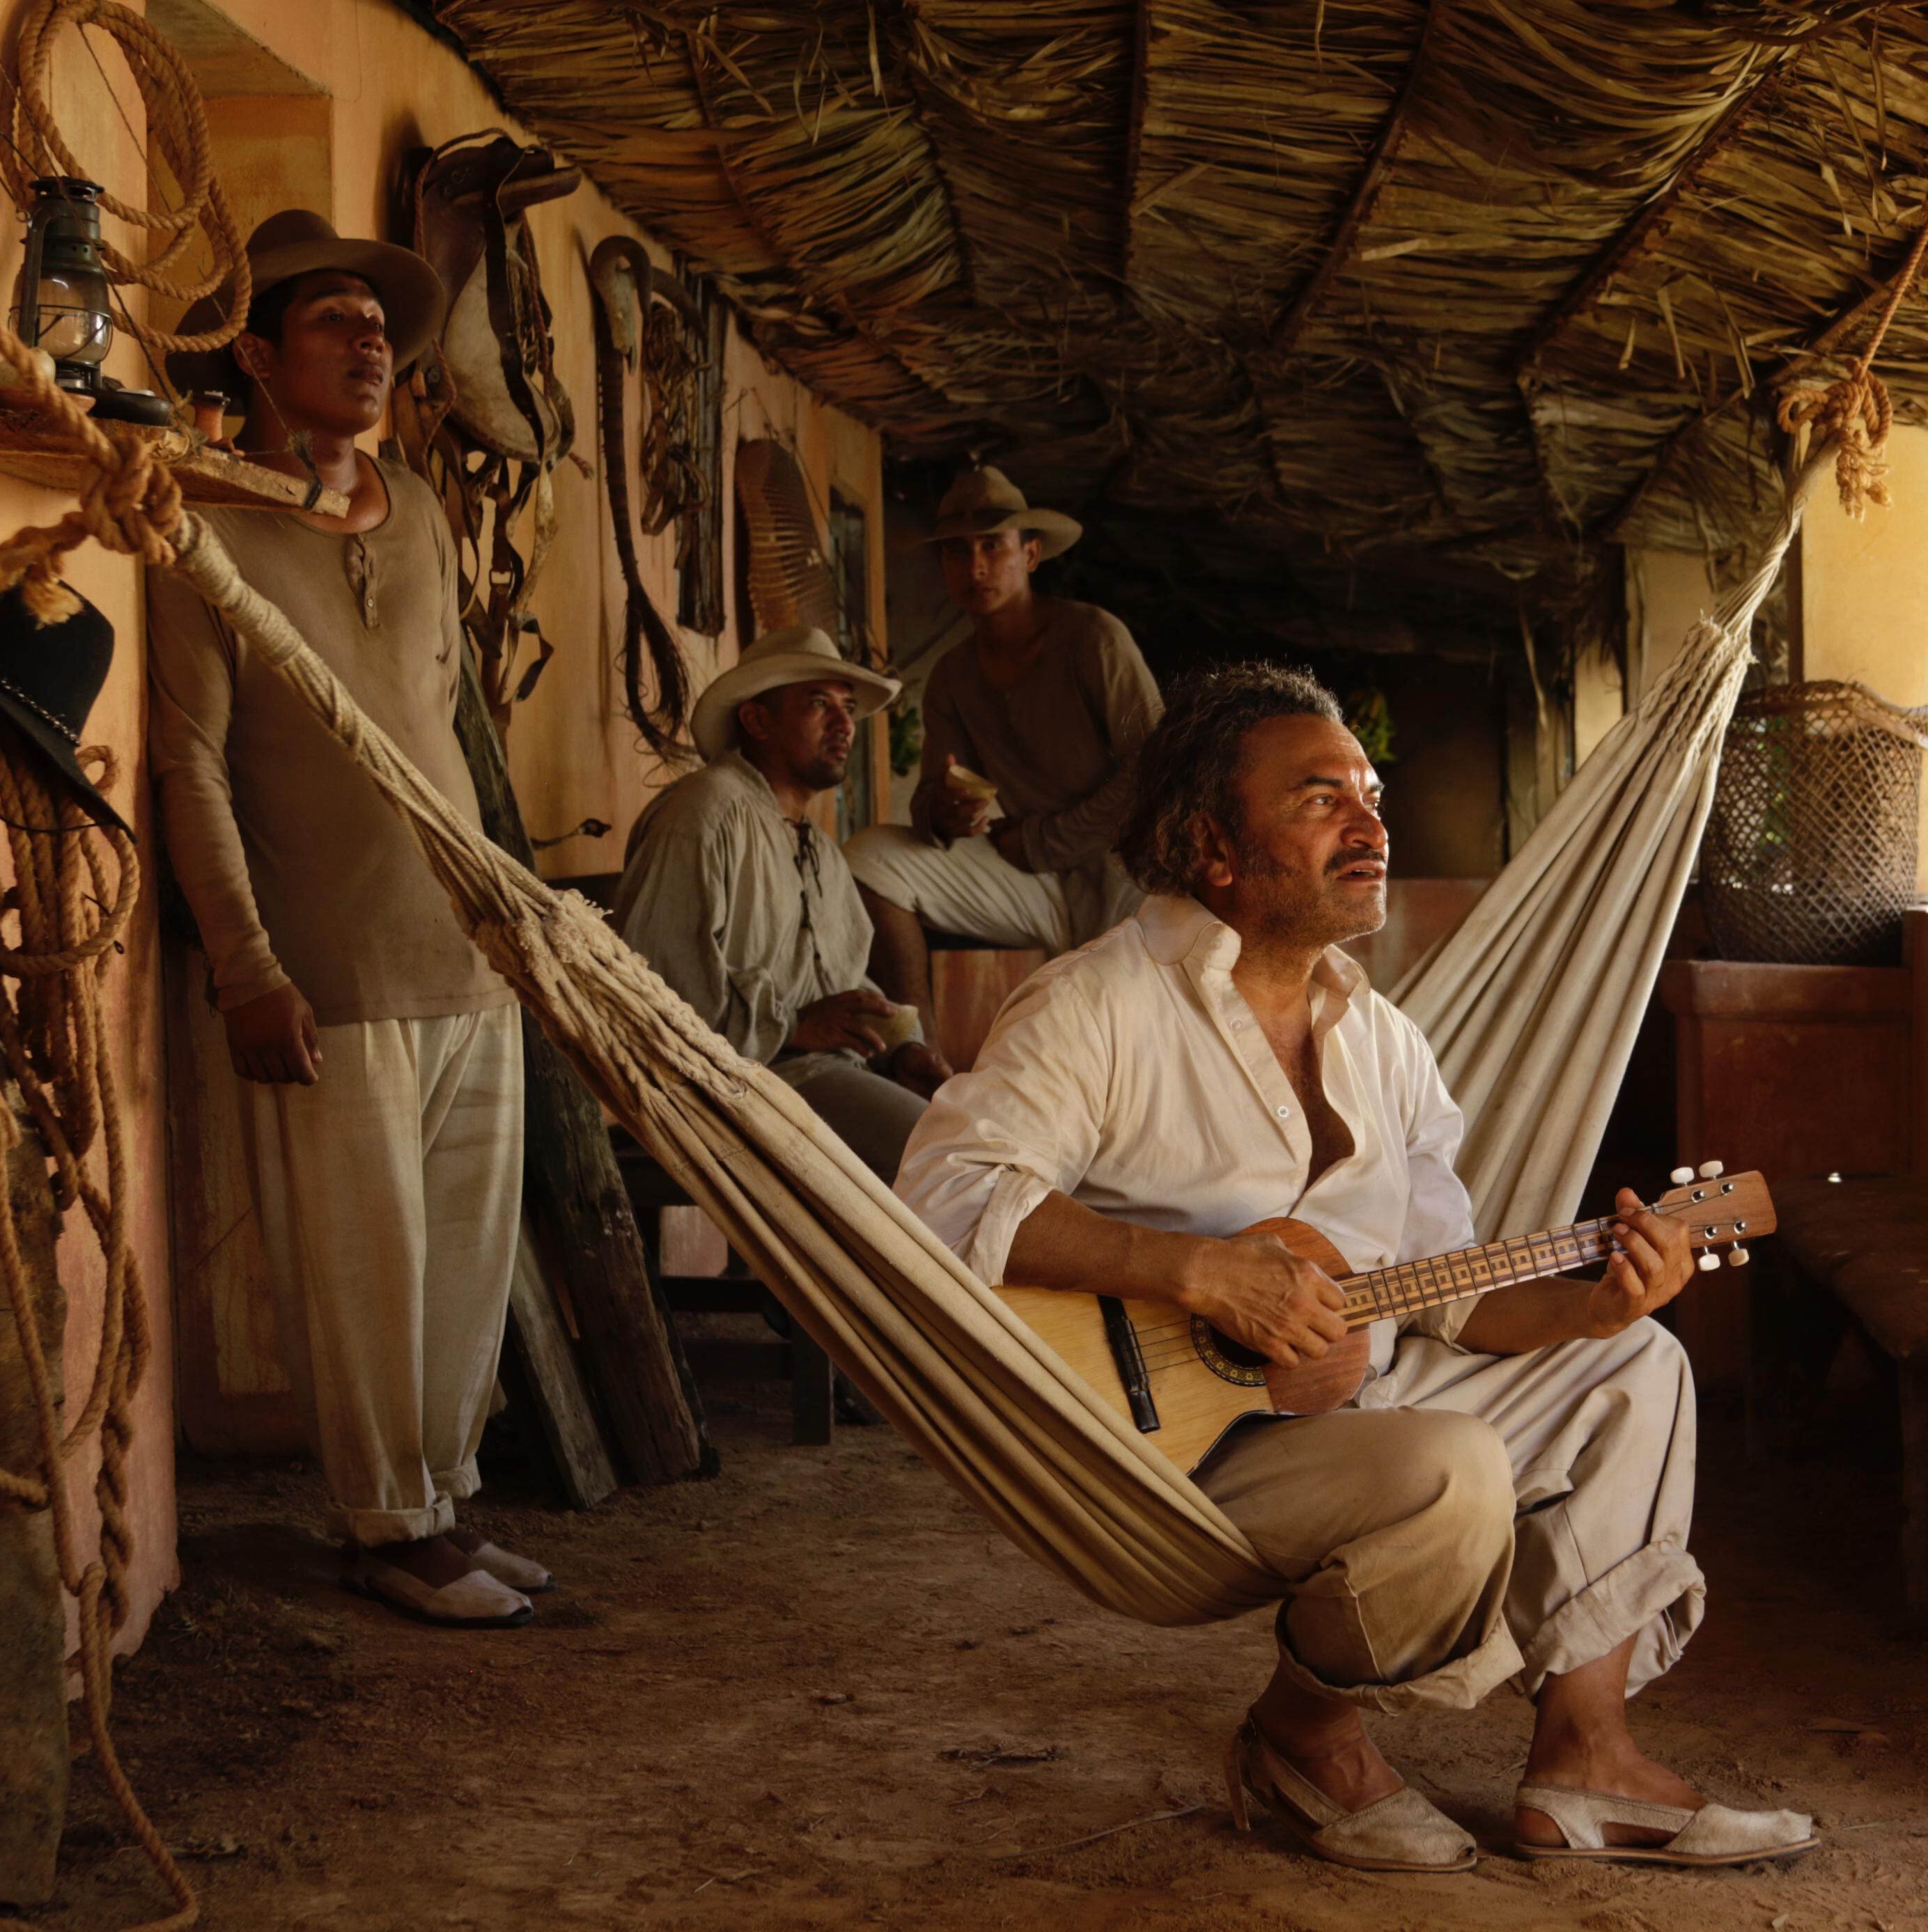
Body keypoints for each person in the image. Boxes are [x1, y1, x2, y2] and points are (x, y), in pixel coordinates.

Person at [894, 664, 1814, 1873]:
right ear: (1214, 846)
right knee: (1452, 1468)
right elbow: (940, 1198)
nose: (1371, 824)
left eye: (1372, 794)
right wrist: (1192, 1272)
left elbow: (1450, 1289)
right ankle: (1306, 1731)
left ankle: (1585, 1758)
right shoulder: (1098, 1007)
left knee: (1635, 1363)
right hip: (1166, 1454)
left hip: (1348, 1404)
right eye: (1321, 797)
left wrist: (1595, 1296)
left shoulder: (1387, 1041)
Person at [148, 210, 551, 1628]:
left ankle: (442, 1507)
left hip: (467, 955)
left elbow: (448, 728)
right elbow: (187, 761)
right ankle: (387, 1528)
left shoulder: (427, 513)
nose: (371, 339)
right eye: (333, 319)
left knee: (459, 1265)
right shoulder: (200, 526)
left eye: (380, 323)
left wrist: (515, 921)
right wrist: (249, 968)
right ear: (257, 355)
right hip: (332, 972)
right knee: (363, 1274)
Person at [611, 628, 946, 1180]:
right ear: (757, 721)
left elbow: (842, 985)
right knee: (946, 1162)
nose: (844, 725)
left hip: (821, 1079)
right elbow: (651, 997)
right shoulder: (705, 814)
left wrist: (899, 1047)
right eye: (819, 704)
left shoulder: (821, 851)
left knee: (977, 1143)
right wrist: (790, 1026)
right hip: (741, 1088)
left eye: (847, 708)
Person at [844, 467, 1160, 1015]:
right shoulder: (951, 677)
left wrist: (1044, 840)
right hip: (1028, 875)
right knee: (867, 858)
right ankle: (915, 1052)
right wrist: (943, 814)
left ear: (1032, 555)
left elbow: (1158, 770)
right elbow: (930, 799)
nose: (975, 567)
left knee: (1118, 1022)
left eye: (993, 546)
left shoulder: (1093, 638)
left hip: (1126, 874)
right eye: (956, 552)